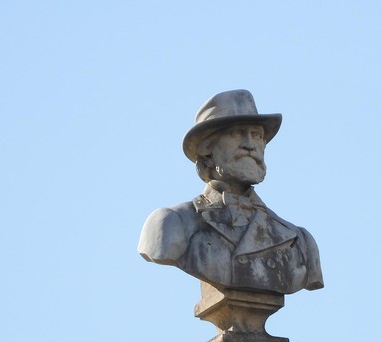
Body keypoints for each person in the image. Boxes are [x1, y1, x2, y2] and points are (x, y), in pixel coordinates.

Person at [138, 90, 323, 295]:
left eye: (257, 135)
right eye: (236, 133)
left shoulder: (300, 241)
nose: (250, 145)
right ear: (207, 148)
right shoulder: (172, 223)